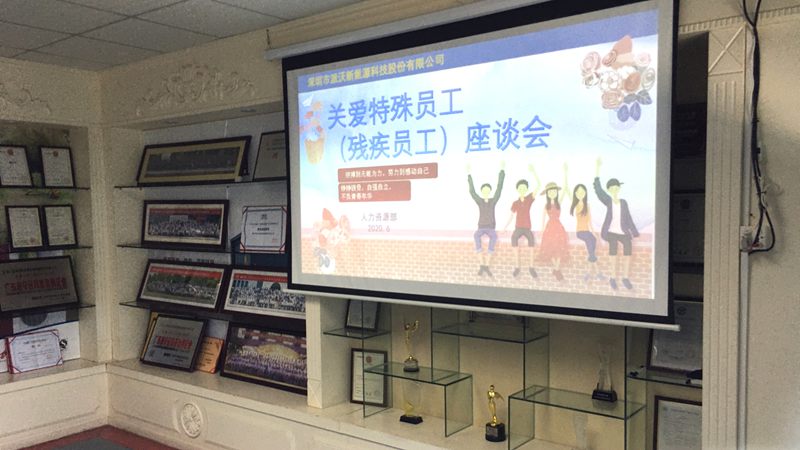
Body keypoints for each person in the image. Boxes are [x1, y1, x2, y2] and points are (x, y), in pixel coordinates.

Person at [593, 157, 639, 290]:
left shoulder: (623, 202)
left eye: (616, 187)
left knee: (628, 251)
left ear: (618, 188)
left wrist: (634, 232)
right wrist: (597, 168)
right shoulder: (608, 201)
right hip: (610, 232)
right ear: (609, 190)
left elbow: (628, 218)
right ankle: (612, 278)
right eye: (611, 188)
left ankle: (625, 278)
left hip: (623, 232)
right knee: (613, 250)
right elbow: (598, 190)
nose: (614, 189)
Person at [467, 162, 505, 277]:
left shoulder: (493, 201)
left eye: (488, 190)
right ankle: (482, 264)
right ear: (482, 191)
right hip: (481, 227)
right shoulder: (480, 201)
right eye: (484, 190)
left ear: (490, 191)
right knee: (476, 236)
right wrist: (469, 174)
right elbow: (472, 192)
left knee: (493, 238)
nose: (486, 192)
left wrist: (502, 171)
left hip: (491, 228)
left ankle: (486, 266)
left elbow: (499, 188)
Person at [504, 164, 540, 279]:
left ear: (526, 189)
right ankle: (517, 267)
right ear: (517, 189)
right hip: (518, 228)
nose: (522, 190)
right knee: (514, 239)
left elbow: (539, 185)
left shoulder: (529, 199)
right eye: (520, 188)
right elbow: (511, 216)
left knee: (532, 244)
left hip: (527, 228)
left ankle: (531, 267)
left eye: (524, 188)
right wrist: (505, 227)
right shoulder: (515, 203)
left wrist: (533, 171)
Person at [537, 163, 570, 281]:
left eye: (554, 191)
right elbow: (542, 218)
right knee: (550, 248)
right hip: (549, 228)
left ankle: (556, 269)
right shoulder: (545, 205)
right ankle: (556, 270)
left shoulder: (558, 202)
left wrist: (565, 172)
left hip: (558, 227)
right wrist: (541, 229)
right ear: (547, 193)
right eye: (550, 192)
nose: (552, 193)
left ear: (556, 192)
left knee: (559, 248)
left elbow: (565, 188)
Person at [569, 183, 601, 282]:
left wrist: (594, 232)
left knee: (592, 245)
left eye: (582, 192)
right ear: (575, 193)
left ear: (585, 193)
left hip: (587, 231)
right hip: (580, 232)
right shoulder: (576, 205)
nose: (580, 194)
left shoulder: (588, 205)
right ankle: (598, 273)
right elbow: (567, 190)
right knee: (591, 250)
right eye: (578, 192)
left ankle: (589, 273)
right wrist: (565, 175)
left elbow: (589, 221)